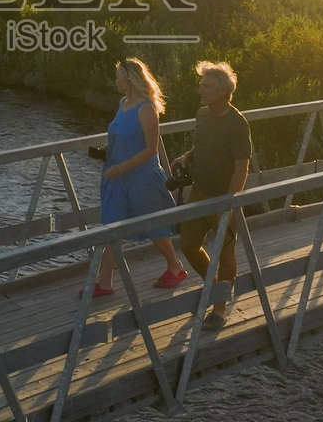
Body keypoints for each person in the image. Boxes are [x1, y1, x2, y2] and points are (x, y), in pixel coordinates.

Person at [95, 58, 188, 296]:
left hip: (141, 178)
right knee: (113, 227)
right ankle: (105, 281)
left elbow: (151, 149)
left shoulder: (146, 108)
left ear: (129, 79)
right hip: (118, 177)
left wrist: (123, 166)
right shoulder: (123, 103)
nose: (115, 80)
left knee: (153, 226)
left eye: (118, 76)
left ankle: (175, 266)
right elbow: (122, 134)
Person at [173, 60, 251, 331]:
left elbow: (242, 167)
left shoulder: (237, 123)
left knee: (225, 253)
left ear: (222, 91)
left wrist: (229, 203)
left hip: (223, 197)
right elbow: (201, 144)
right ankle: (216, 287)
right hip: (200, 192)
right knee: (188, 244)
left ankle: (219, 308)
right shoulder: (202, 115)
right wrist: (187, 156)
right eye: (201, 84)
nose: (200, 90)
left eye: (205, 86)